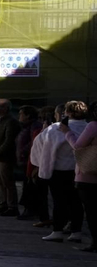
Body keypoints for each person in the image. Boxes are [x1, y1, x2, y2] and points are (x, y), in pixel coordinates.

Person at [37, 102, 87, 243]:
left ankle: (57, 230)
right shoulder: (88, 127)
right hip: (80, 170)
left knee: (59, 202)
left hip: (60, 170)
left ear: (67, 113)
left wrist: (44, 172)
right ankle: (76, 231)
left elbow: (46, 151)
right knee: (76, 202)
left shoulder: (56, 129)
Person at [72, 104, 97, 252]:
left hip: (89, 175)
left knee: (92, 211)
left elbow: (78, 146)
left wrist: (67, 132)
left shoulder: (93, 126)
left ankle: (95, 242)